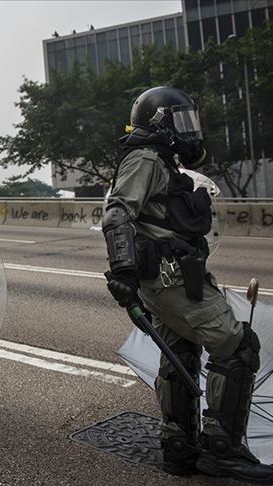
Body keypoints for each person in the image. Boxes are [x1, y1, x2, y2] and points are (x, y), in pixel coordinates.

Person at [103, 86, 272, 483]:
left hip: (172, 276)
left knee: (182, 351)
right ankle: (222, 451)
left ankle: (179, 447)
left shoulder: (162, 160)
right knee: (237, 347)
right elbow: (116, 214)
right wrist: (123, 272)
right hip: (170, 279)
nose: (188, 129)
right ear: (159, 123)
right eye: (181, 120)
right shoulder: (145, 158)